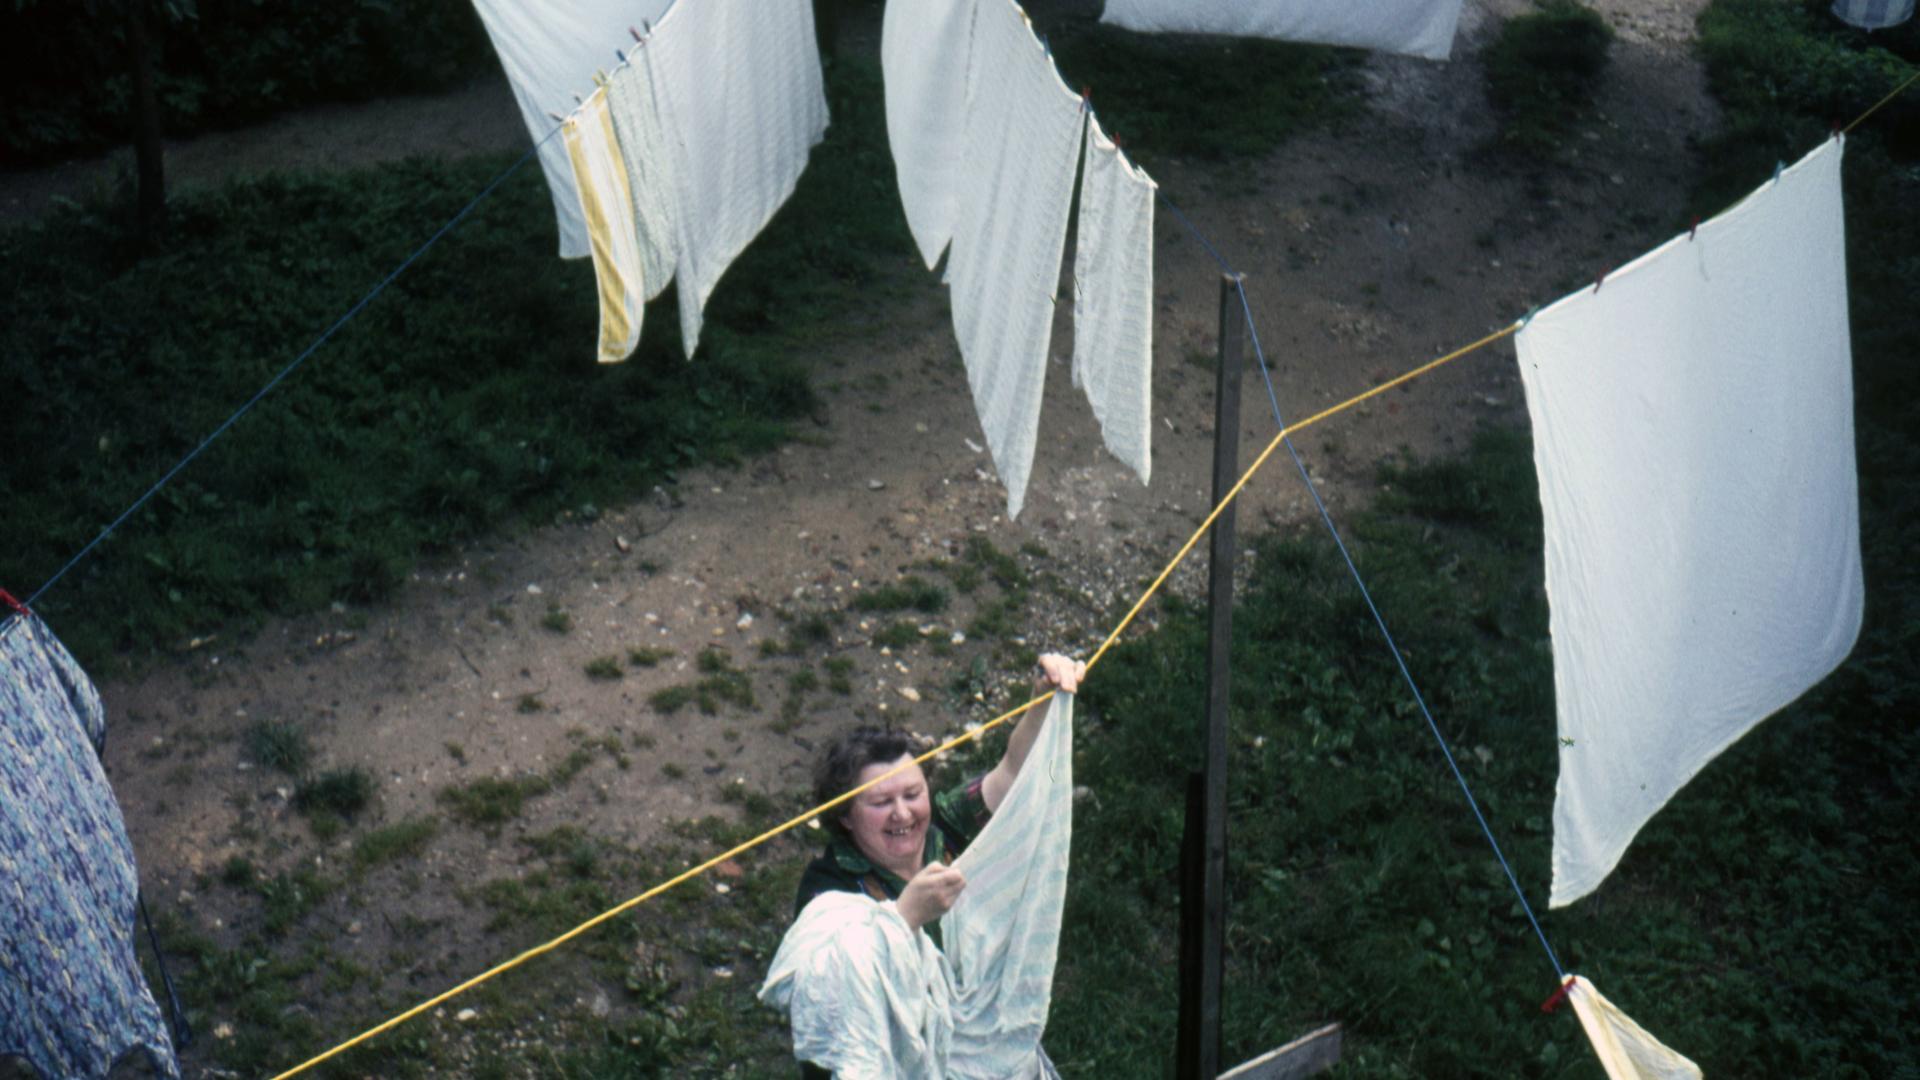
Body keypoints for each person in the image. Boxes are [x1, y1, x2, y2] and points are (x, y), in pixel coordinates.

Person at [785, 652, 1086, 1078]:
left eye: (912, 794)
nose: (903, 814)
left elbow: (1014, 773)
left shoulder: (945, 829)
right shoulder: (828, 888)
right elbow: (828, 989)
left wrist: (1041, 699)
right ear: (845, 817)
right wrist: (905, 916)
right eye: (881, 802)